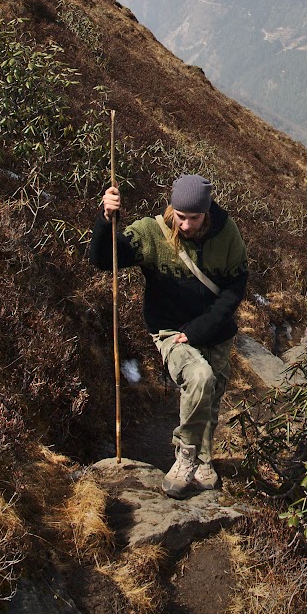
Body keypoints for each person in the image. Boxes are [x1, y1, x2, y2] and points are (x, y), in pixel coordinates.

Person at [90, 173, 248, 499]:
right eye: (181, 216)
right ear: (171, 208)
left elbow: (235, 288)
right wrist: (106, 220)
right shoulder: (153, 233)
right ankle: (186, 455)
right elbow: (105, 259)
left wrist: (200, 330)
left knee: (211, 398)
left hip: (214, 332)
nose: (187, 225)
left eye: (194, 217)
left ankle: (204, 459)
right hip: (170, 331)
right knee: (200, 377)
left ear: (207, 211)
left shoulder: (227, 233)